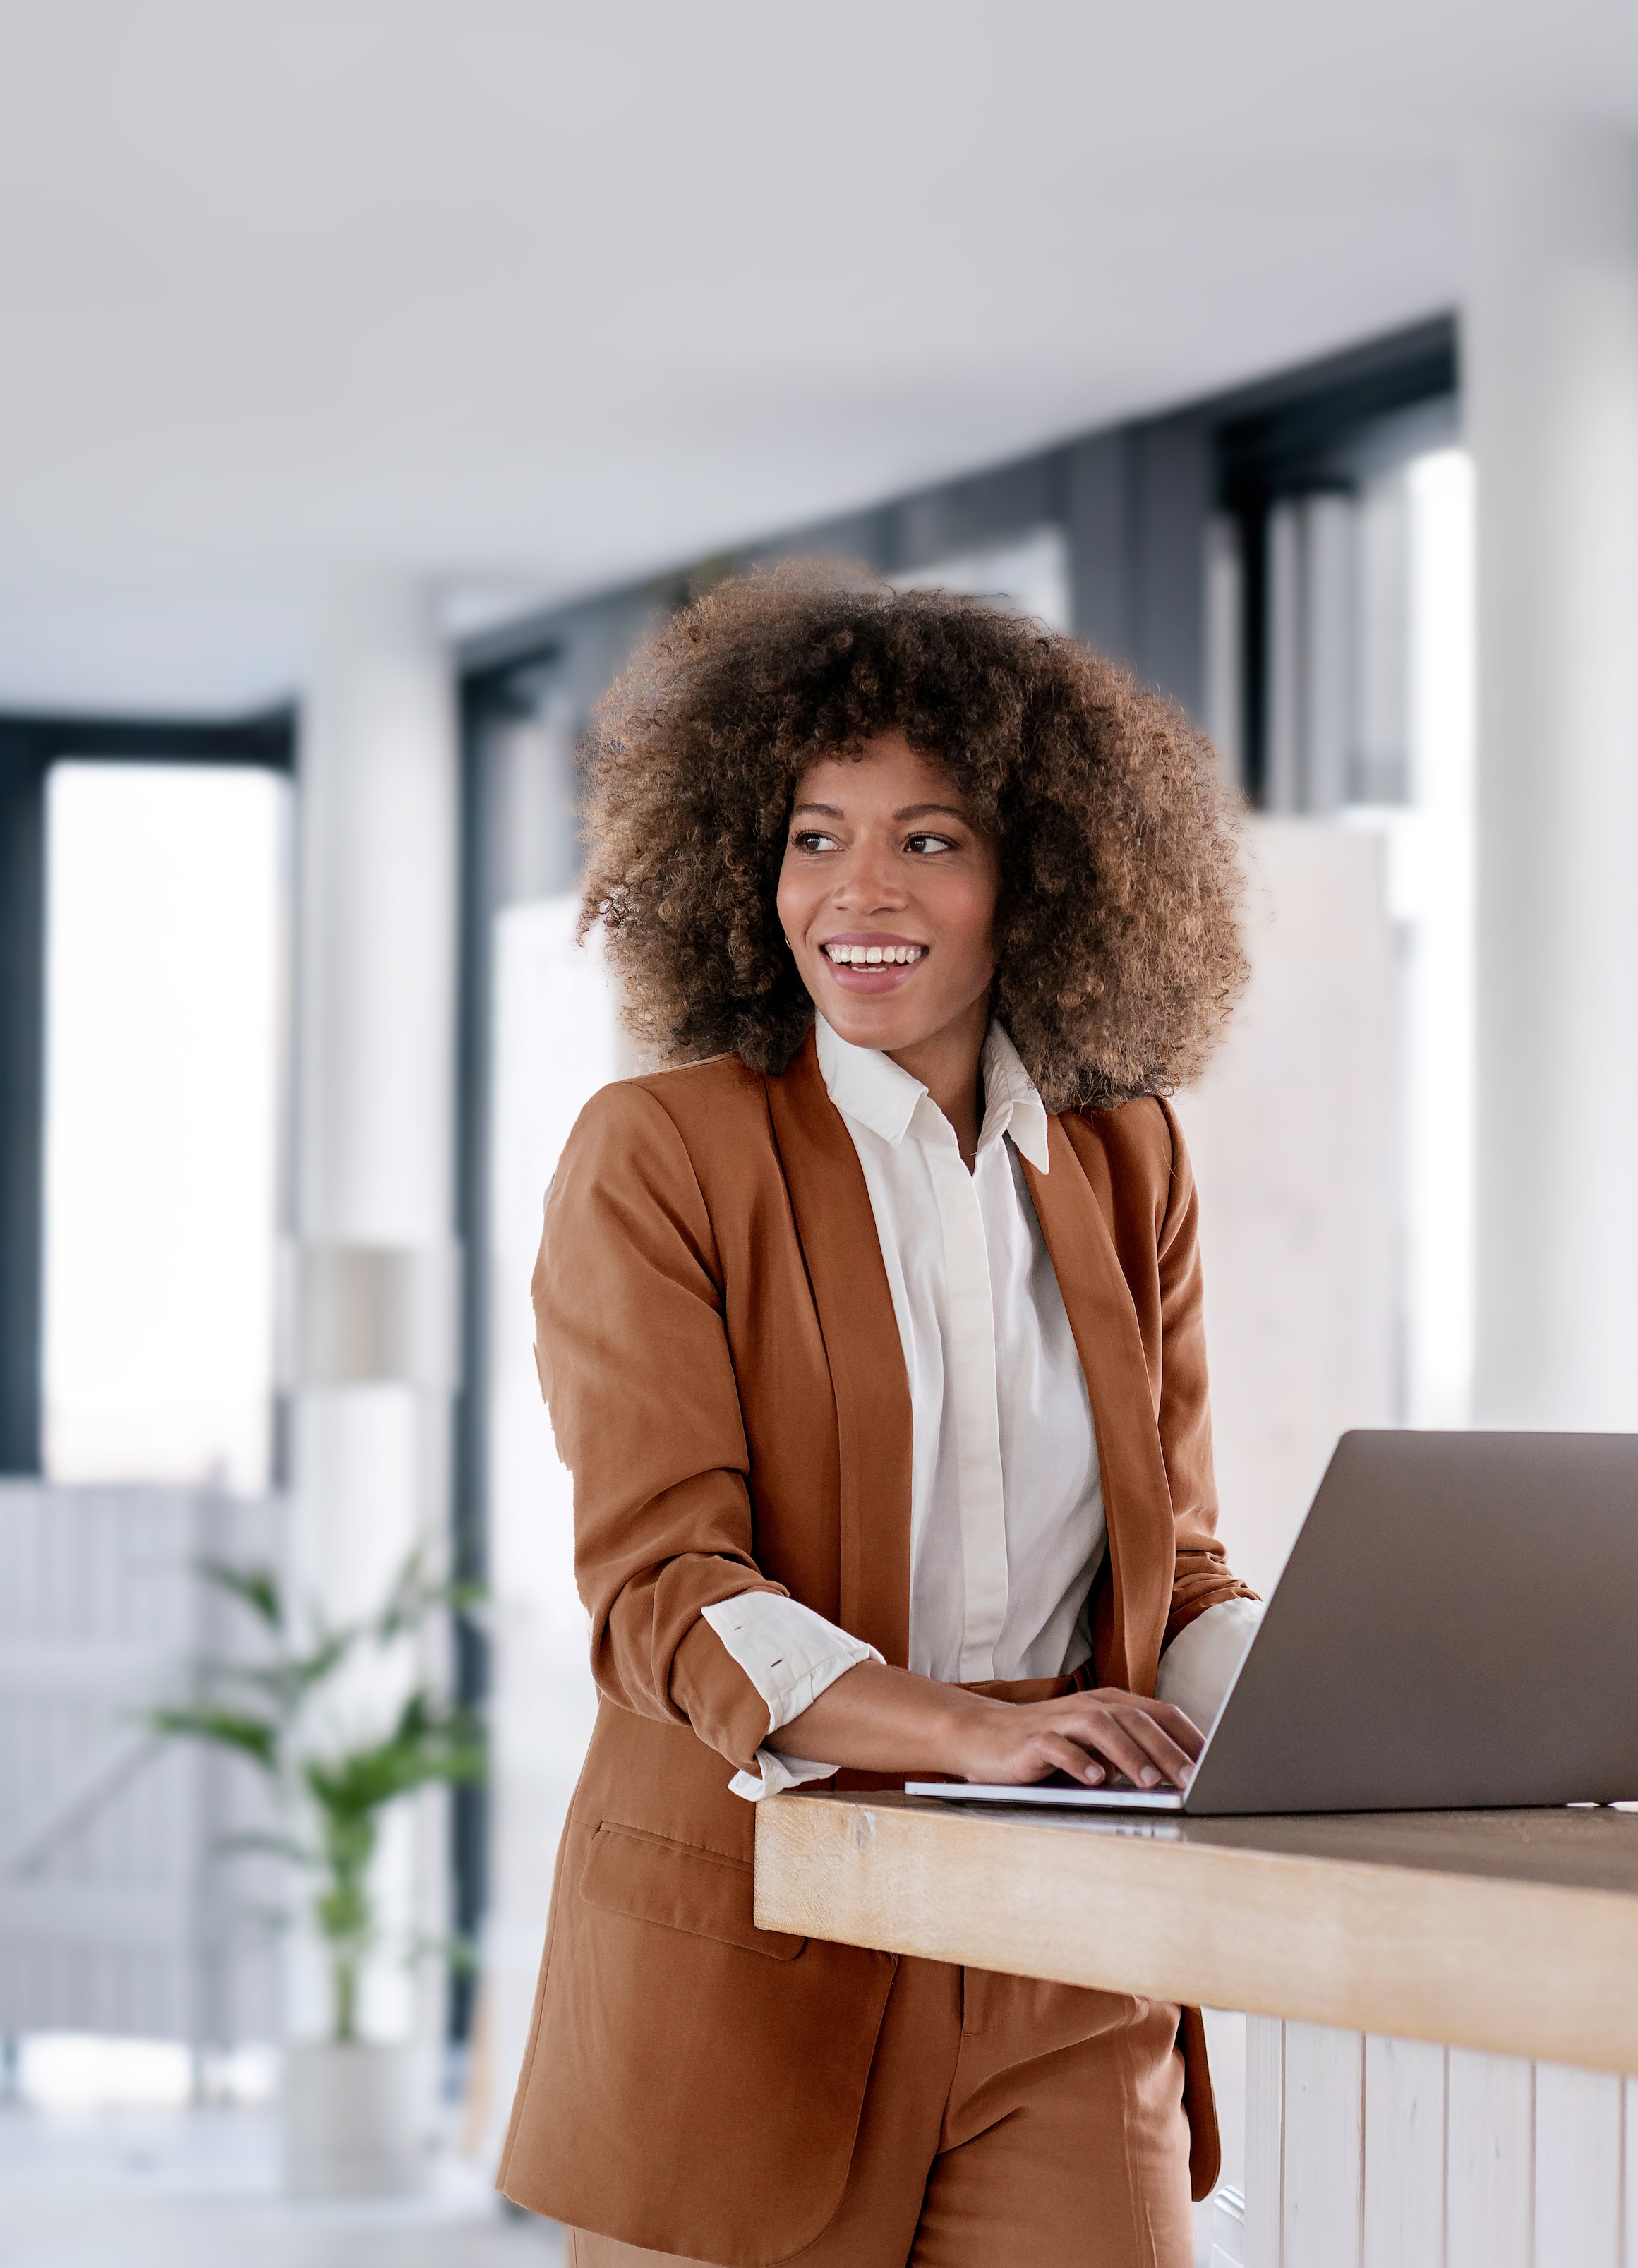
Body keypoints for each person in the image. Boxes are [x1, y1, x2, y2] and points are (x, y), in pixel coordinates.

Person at [496, 562, 1260, 2268]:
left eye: (929, 838)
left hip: (1067, 1951)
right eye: (811, 836)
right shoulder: (662, 1153)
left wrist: (1313, 1695)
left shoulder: (1126, 1158)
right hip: (751, 1956)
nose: (859, 890)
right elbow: (660, 1595)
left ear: (1034, 879)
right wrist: (969, 1726)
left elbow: (1178, 1572)